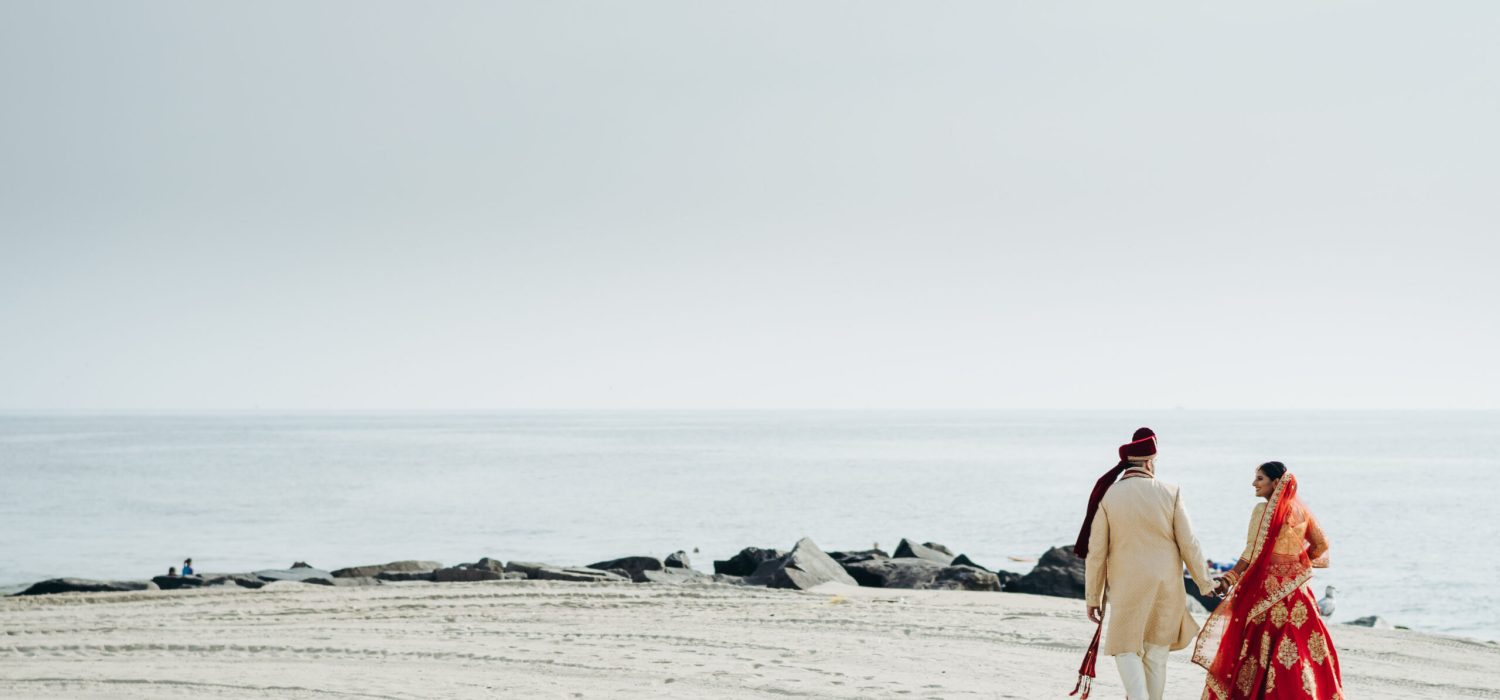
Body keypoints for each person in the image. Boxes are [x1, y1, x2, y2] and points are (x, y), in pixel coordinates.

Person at [1072, 427, 1218, 700]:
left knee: (1125, 648)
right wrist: (1204, 582)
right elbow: (1189, 543)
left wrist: (1094, 596)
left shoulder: (1108, 496)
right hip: (1166, 585)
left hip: (1127, 585)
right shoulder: (1170, 492)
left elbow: (1097, 552)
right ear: (1150, 461)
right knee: (1156, 653)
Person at [1193, 462, 1345, 699]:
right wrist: (1298, 562)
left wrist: (1230, 577)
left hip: (1265, 592)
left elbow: (1252, 551)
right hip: (1297, 593)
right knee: (1300, 649)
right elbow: (1322, 545)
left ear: (1276, 483)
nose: (1254, 483)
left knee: (1256, 649)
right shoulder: (1301, 511)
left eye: (1259, 478)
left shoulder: (1262, 511)